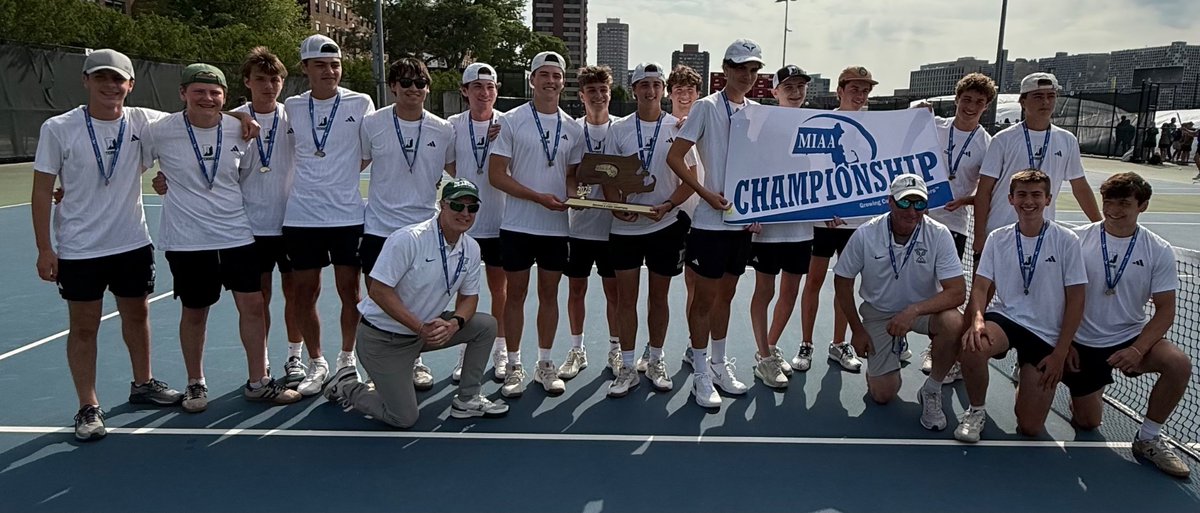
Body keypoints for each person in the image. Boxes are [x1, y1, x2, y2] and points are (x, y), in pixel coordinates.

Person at [31, 49, 184, 440]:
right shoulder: (58, 128)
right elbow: (42, 190)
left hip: (132, 242)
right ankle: (88, 406)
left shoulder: (142, 121)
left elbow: (199, 114)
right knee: (83, 327)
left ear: (130, 85)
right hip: (80, 249)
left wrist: (241, 117)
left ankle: (143, 384)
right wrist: (45, 248)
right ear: (86, 81)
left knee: (138, 315)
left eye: (118, 79)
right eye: (101, 77)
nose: (110, 86)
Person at [142, 64, 302, 413]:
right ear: (183, 93)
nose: (207, 98)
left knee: (253, 306)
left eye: (214, 93)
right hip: (188, 239)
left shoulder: (239, 128)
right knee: (195, 312)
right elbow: (128, 167)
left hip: (236, 233)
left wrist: (239, 116)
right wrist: (71, 192)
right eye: (198, 91)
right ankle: (195, 383)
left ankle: (258, 381)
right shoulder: (160, 130)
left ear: (225, 97)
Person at [324, 179, 509, 427]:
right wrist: (419, 327)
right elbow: (379, 291)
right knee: (403, 418)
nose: (465, 213)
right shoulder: (408, 239)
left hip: (422, 334)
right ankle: (347, 385)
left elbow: (469, 297)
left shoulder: (471, 248)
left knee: (485, 326)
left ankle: (468, 399)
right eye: (457, 205)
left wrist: (455, 323)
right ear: (442, 205)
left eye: (472, 208)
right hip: (384, 340)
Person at [1069, 172, 1192, 478]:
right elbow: (1057, 297)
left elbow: (1165, 310)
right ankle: (1087, 391)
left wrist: (1138, 349)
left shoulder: (1158, 249)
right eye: (1108, 202)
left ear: (1142, 206)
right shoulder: (1076, 240)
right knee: (1087, 422)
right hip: (1081, 341)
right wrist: (1065, 342)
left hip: (1129, 337)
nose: (1113, 210)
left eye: (1124, 203)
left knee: (1178, 363)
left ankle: (1148, 437)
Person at [667, 38, 765, 407]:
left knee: (727, 295)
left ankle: (719, 365)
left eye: (753, 69)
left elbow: (762, 167)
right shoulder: (706, 107)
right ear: (725, 69)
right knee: (704, 299)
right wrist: (706, 194)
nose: (747, 75)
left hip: (740, 224)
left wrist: (758, 210)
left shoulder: (759, 112)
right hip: (710, 223)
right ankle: (700, 372)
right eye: (740, 68)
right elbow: (675, 157)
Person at [956, 170, 1086, 443]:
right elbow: (980, 287)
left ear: (1048, 199)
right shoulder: (997, 238)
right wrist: (977, 319)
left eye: (1036, 195)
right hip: (1007, 318)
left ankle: (1026, 376)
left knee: (1030, 427)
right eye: (1022, 195)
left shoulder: (1067, 240)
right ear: (1011, 199)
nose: (1029, 201)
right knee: (973, 344)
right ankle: (975, 411)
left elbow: (1076, 299)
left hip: (1045, 332)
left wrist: (1061, 352)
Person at [282, 35, 376, 397]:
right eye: (320, 65)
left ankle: (347, 358)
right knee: (304, 293)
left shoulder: (360, 102)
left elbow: (367, 151)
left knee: (350, 292)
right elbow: (245, 115)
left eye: (335, 65)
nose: (329, 71)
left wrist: (341, 175)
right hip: (302, 217)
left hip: (347, 216)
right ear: (305, 68)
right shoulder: (292, 106)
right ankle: (316, 360)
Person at [833, 174, 965, 430]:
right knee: (883, 394)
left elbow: (957, 292)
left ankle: (932, 389)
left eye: (919, 203)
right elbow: (842, 280)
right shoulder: (866, 233)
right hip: (879, 311)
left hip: (922, 310)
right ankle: (890, 350)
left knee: (953, 322)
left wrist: (913, 310)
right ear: (890, 202)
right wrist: (857, 330)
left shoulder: (939, 234)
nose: (912, 211)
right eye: (905, 202)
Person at [488, 51, 584, 397]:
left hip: (555, 228)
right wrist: (537, 197)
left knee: (549, 296)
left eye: (556, 76)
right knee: (515, 296)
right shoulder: (511, 121)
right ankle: (515, 365)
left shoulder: (572, 128)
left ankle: (545, 363)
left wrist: (575, 197)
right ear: (532, 80)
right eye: (544, 74)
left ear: (563, 82)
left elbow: (571, 176)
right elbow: (497, 175)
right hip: (517, 226)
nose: (550, 81)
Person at [359, 57, 455, 391]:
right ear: (393, 87)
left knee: (417, 301)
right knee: (379, 302)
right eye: (406, 82)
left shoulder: (443, 129)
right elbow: (351, 164)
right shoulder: (372, 123)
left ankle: (414, 361)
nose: (414, 88)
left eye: (420, 83)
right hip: (379, 229)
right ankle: (376, 368)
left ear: (428, 88)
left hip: (423, 230)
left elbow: (462, 170)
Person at [607, 62, 695, 396]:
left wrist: (669, 205)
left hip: (665, 225)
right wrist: (617, 206)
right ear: (634, 90)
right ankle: (628, 367)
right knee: (625, 300)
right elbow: (607, 176)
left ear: (663, 90)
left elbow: (690, 179)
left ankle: (656, 359)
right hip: (625, 228)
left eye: (656, 85)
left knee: (659, 297)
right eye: (644, 85)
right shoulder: (619, 129)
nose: (650, 90)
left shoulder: (679, 127)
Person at [797, 65, 881, 374]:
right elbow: (808, 170)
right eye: (854, 89)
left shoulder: (878, 126)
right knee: (814, 281)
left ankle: (838, 343)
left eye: (865, 90)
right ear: (840, 91)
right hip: (823, 222)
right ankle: (806, 344)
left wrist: (923, 115)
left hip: (857, 224)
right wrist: (820, 210)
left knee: (845, 284)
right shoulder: (821, 124)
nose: (860, 95)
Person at [231, 47, 305, 388]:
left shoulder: (293, 117)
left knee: (295, 294)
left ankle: (294, 356)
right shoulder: (232, 120)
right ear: (247, 82)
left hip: (292, 223)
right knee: (258, 299)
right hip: (250, 227)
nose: (268, 86)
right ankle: (260, 361)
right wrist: (236, 117)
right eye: (260, 79)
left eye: (275, 79)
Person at [972, 72, 1101, 262]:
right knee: (985, 282)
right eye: (1038, 96)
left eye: (1051, 96)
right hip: (1000, 232)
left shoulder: (1067, 140)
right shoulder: (1003, 140)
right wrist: (979, 235)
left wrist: (1101, 227)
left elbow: (1080, 187)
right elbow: (984, 191)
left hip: (1041, 236)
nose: (1046, 102)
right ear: (1023, 102)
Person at [923, 72, 996, 379]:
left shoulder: (987, 144)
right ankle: (898, 337)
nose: (971, 106)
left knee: (946, 291)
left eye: (979, 102)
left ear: (986, 107)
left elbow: (989, 190)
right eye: (966, 99)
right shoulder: (934, 126)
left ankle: (936, 347)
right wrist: (915, 113)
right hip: (918, 219)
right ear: (956, 99)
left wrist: (965, 200)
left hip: (954, 224)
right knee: (910, 281)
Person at [748, 64, 814, 388]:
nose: (795, 91)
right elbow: (751, 167)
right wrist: (751, 211)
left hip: (801, 228)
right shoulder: (763, 125)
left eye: (800, 86)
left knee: (790, 291)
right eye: (788, 86)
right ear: (774, 92)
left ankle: (769, 347)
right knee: (765, 290)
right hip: (769, 227)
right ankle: (763, 356)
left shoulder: (816, 123)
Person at [558, 65, 621, 381]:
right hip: (579, 227)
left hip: (613, 229)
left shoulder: (622, 129)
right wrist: (576, 198)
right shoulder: (572, 131)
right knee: (576, 289)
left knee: (615, 293)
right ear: (581, 96)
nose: (598, 96)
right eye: (592, 91)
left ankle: (616, 349)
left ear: (610, 93)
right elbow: (570, 175)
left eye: (603, 90)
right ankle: (577, 349)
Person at [446, 62, 507, 382]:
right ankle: (464, 352)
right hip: (464, 223)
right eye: (478, 87)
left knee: (500, 290)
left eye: (490, 87)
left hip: (499, 221)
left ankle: (501, 351)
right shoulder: (453, 125)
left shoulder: (507, 124)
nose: (485, 93)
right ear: (465, 91)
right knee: (464, 290)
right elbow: (450, 164)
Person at [665, 65, 704, 332]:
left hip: (699, 216)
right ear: (670, 94)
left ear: (698, 94)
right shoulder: (661, 126)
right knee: (659, 285)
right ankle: (655, 346)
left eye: (690, 90)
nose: (684, 95)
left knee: (695, 283)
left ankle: (694, 342)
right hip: (668, 217)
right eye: (678, 89)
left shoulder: (707, 124)